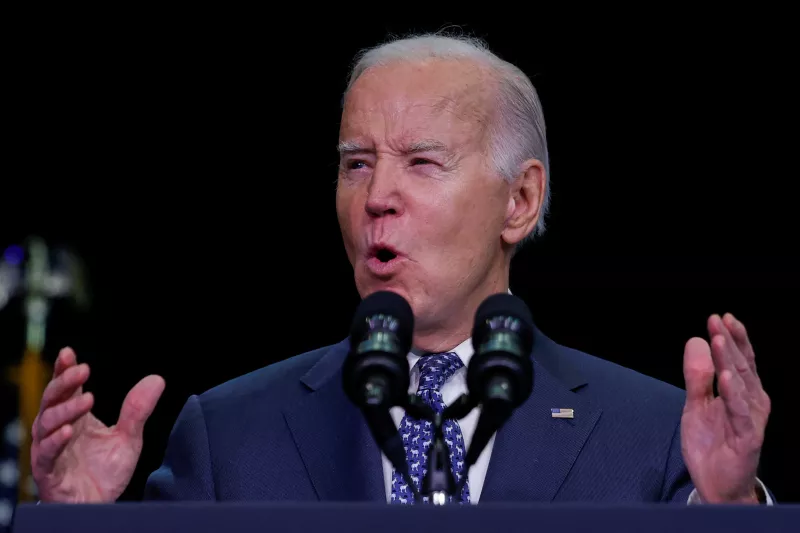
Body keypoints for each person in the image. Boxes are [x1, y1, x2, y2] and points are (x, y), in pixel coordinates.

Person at [30, 33, 772, 505]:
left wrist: (735, 510)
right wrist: (72, 524)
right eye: (356, 164)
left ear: (520, 200)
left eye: (422, 162)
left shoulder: (652, 435)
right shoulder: (228, 436)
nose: (377, 197)